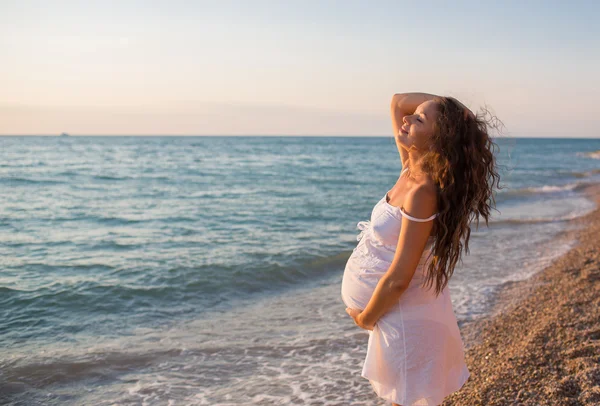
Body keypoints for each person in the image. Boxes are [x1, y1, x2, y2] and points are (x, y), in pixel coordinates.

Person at [341, 92, 501, 405]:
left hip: (407, 318)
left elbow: (400, 275)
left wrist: (366, 319)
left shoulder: (423, 191)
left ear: (439, 139)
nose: (406, 118)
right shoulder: (410, 166)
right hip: (401, 313)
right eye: (415, 116)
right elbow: (398, 101)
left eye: (419, 119)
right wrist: (448, 109)